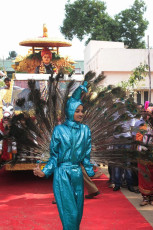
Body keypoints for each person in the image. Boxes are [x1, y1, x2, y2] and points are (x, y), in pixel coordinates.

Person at [33, 82, 100, 230]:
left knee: (78, 212)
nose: (81, 114)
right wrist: (44, 171)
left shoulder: (85, 130)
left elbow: (86, 154)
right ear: (70, 111)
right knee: (70, 212)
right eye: (77, 111)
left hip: (77, 174)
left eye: (82, 111)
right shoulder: (59, 130)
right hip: (62, 174)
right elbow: (54, 156)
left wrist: (90, 171)